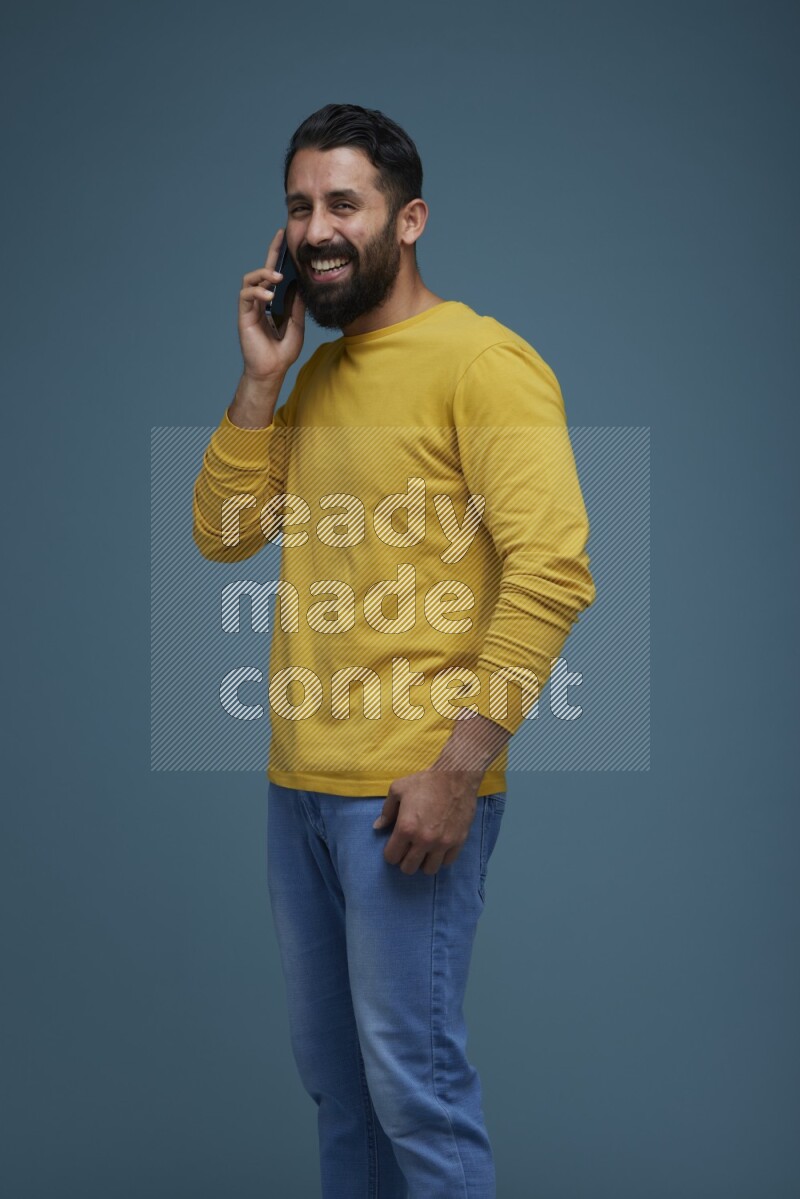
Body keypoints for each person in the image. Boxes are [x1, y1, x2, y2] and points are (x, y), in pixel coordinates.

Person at [192, 102, 596, 1198]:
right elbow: (223, 537)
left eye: (343, 203)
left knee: (413, 1092)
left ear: (406, 219)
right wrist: (261, 377)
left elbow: (552, 570)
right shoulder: (313, 380)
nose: (316, 228)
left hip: (406, 795)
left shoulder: (483, 361)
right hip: (297, 789)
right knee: (340, 1089)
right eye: (297, 206)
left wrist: (457, 769)